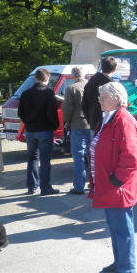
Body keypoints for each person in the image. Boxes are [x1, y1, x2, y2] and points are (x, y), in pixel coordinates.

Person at [89, 81, 137, 273]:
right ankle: (120, 262)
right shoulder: (110, 117)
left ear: (116, 99)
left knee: (122, 227)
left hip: (117, 185)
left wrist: (117, 180)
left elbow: (132, 157)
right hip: (109, 183)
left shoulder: (124, 120)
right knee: (115, 226)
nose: (99, 100)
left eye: (103, 97)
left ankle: (126, 267)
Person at [18, 68, 59, 195]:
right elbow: (52, 113)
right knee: (45, 160)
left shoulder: (25, 94)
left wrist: (29, 122)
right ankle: (45, 187)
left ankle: (31, 186)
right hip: (45, 130)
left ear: (36, 78)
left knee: (32, 159)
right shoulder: (48, 93)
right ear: (47, 78)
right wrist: (54, 126)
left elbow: (20, 113)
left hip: (30, 130)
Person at [61, 66, 91, 194]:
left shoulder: (71, 89)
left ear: (73, 76)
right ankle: (94, 184)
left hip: (78, 125)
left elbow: (67, 110)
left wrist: (66, 122)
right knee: (93, 156)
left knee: (78, 156)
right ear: (84, 75)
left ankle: (79, 186)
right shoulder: (92, 87)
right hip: (92, 125)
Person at [82, 56, 117, 133]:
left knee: (94, 145)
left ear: (101, 67)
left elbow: (84, 104)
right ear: (114, 70)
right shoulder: (113, 86)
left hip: (93, 123)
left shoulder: (90, 82)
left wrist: (90, 120)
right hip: (108, 126)